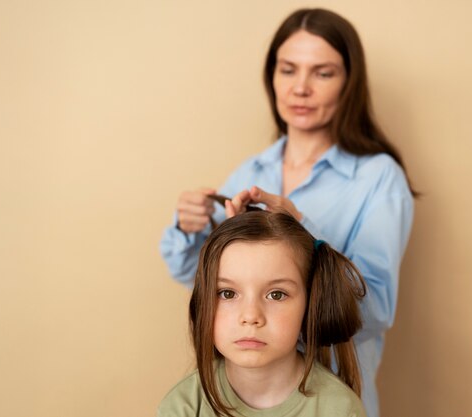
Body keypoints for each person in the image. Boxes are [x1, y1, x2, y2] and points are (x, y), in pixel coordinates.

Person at [160, 8, 416, 417]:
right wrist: (189, 230)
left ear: (349, 83)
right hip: (241, 399)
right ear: (271, 77)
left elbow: (377, 310)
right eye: (288, 70)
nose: (300, 88)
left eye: (323, 73)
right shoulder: (252, 170)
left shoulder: (379, 178)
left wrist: (303, 229)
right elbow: (211, 281)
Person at [157, 211, 368, 417]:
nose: (250, 316)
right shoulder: (182, 407)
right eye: (227, 293)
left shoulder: (341, 409)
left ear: (311, 302)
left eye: (276, 295)